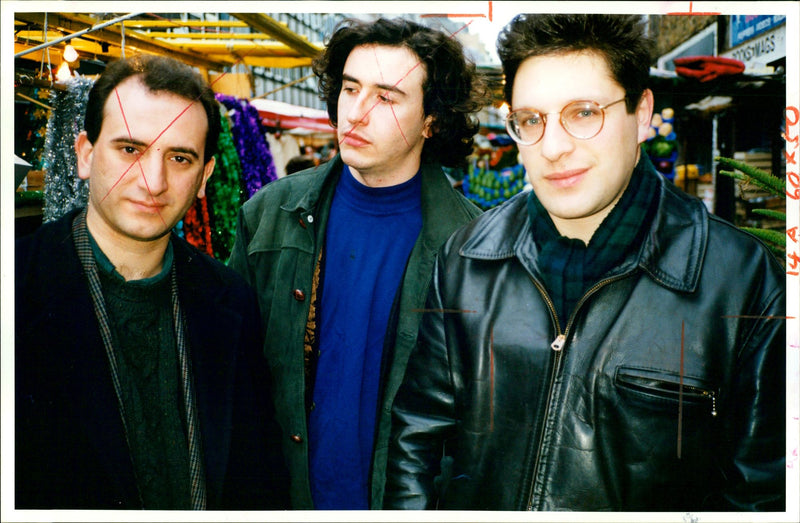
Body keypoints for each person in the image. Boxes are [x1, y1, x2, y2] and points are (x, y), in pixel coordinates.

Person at [384, 14, 786, 511]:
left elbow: (761, 493)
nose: (552, 147)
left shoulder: (741, 280)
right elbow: (417, 439)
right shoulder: (467, 258)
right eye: (531, 120)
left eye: (583, 113)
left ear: (641, 114)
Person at [228, 17, 484, 509]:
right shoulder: (268, 216)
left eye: (386, 97)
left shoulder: (472, 248)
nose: (357, 113)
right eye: (350, 89)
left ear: (432, 120)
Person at [15, 54, 289, 510]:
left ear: (204, 177)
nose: (153, 181)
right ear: (84, 155)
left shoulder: (232, 300)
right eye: (130, 149)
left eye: (179, 158)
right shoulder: (19, 285)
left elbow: (256, 473)